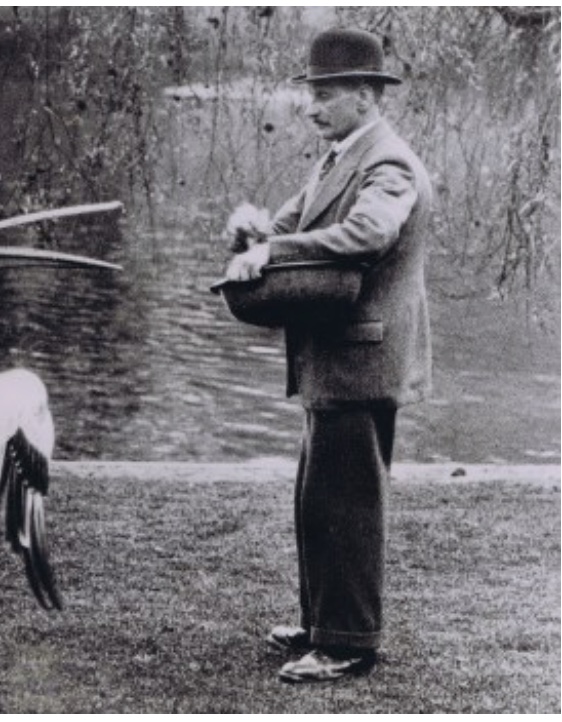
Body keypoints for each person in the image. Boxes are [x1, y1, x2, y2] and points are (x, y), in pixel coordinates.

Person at [223, 27, 433, 683]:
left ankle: (348, 644)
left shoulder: (388, 163)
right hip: (334, 355)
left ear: (369, 95)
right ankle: (321, 624)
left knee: (347, 504)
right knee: (318, 498)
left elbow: (368, 234)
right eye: (310, 93)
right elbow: (292, 228)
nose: (312, 106)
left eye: (327, 93)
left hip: (360, 356)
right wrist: (254, 231)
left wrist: (272, 254)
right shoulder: (338, 156)